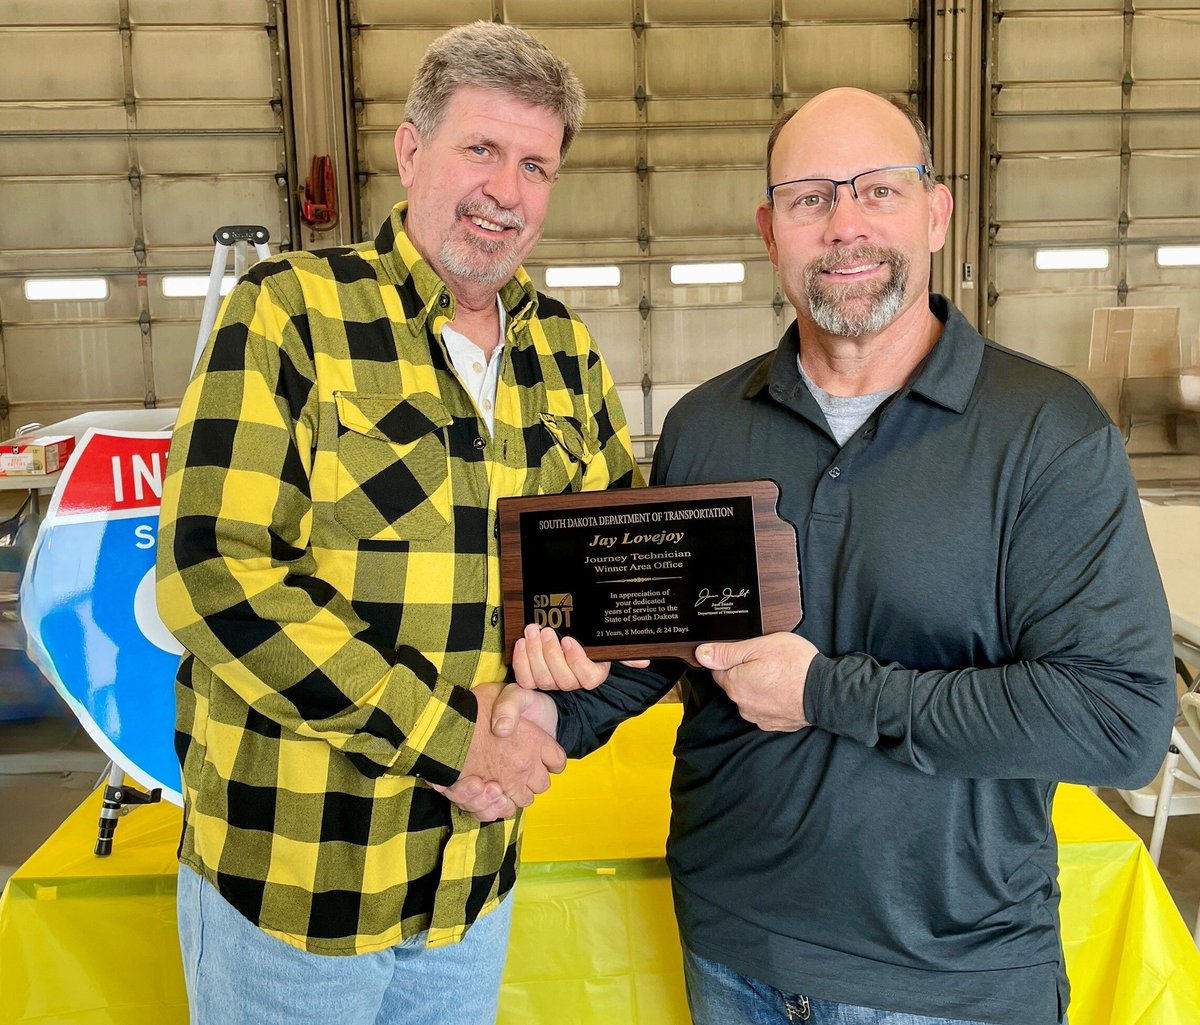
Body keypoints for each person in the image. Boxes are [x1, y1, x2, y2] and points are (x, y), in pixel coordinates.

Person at [445, 88, 1177, 1025]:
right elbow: (670, 651)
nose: (845, 226)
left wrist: (825, 690)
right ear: (769, 228)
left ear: (937, 212)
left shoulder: (1046, 432)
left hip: (949, 975)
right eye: (809, 198)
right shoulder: (708, 424)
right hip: (731, 946)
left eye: (878, 191)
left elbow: (1117, 720)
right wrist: (545, 705)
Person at [155, 21, 639, 1025]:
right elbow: (214, 573)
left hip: (470, 885)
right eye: (482, 149)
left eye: (536, 164)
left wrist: (554, 708)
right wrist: (452, 742)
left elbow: (611, 575)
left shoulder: (566, 353)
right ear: (410, 150)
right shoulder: (290, 312)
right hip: (295, 888)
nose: (507, 190)